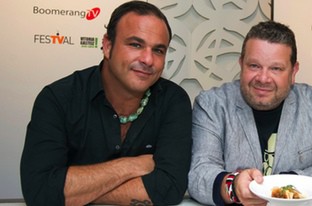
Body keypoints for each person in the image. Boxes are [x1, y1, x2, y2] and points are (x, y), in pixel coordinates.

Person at [20, 1, 192, 205]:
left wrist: (76, 192)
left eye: (158, 50)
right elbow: (40, 191)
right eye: (135, 44)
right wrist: (131, 166)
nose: (148, 59)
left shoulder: (174, 101)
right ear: (108, 46)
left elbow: (169, 190)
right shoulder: (58, 99)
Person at [188, 20, 312, 205]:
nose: (263, 78)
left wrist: (280, 188)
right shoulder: (211, 104)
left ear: (293, 71)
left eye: (276, 68)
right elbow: (199, 173)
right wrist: (234, 186)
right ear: (241, 64)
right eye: (254, 66)